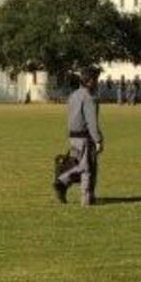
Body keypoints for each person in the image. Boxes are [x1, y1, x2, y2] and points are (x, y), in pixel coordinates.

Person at [54, 66, 104, 206]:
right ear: (90, 81)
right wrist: (98, 140)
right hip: (84, 137)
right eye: (96, 79)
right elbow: (91, 122)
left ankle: (64, 184)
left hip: (73, 136)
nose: (97, 83)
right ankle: (85, 198)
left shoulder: (74, 95)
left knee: (79, 164)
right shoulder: (89, 98)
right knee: (87, 168)